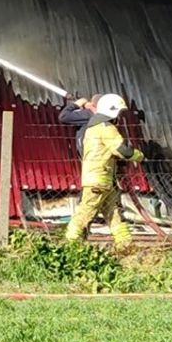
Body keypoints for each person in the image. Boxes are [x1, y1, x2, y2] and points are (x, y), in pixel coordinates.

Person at [64, 93, 144, 250]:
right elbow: (121, 150)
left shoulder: (93, 128)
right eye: (119, 113)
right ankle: (69, 245)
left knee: (112, 213)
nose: (119, 117)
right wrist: (139, 155)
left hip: (101, 179)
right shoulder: (106, 128)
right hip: (99, 179)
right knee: (85, 211)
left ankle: (125, 244)